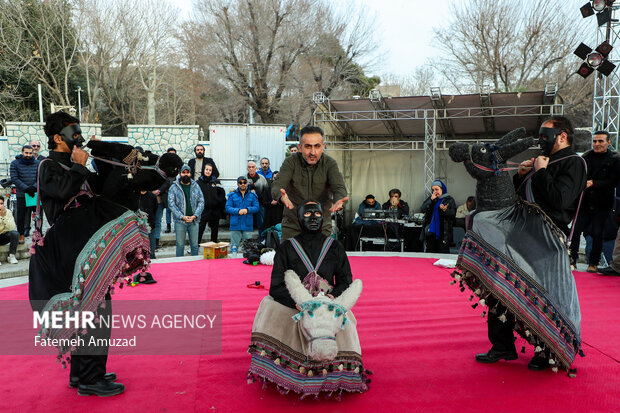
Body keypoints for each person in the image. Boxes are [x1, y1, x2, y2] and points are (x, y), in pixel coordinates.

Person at [475, 116, 587, 371]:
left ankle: (545, 351)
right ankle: (502, 345)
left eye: (545, 134)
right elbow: (517, 200)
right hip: (519, 233)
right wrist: (522, 176)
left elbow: (559, 200)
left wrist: (542, 171)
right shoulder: (542, 163)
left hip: (546, 240)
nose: (540, 140)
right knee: (500, 286)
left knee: (543, 297)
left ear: (562, 135)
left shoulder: (574, 162)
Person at [248, 200, 368, 396]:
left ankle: (341, 371)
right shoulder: (286, 247)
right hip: (295, 304)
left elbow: (346, 281)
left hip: (327, 305)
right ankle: (280, 369)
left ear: (324, 218)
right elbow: (275, 286)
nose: (313, 218)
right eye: (307, 214)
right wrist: (298, 302)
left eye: (318, 214)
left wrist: (330, 297)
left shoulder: (335, 246)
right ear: (298, 218)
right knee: (268, 306)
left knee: (348, 319)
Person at [271, 125, 348, 240]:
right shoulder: (290, 162)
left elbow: (339, 187)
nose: (313, 152)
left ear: (323, 147)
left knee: (322, 258)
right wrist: (281, 197)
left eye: (317, 146)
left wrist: (339, 199)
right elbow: (277, 186)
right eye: (308, 147)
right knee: (288, 257)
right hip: (293, 225)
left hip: (321, 225)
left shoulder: (329, 163)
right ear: (300, 147)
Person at [569, 131, 620, 272]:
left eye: (600, 141)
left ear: (608, 142)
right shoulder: (586, 157)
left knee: (598, 233)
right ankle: (572, 260)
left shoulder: (615, 159)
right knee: (575, 231)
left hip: (603, 202)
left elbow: (613, 181)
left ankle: (593, 263)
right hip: (584, 201)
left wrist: (594, 183)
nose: (597, 144)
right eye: (595, 141)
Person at [168, 165, 204, 257]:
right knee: (180, 245)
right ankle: (179, 266)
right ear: (180, 174)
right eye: (183, 172)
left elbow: (201, 201)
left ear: (190, 174)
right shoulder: (174, 187)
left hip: (194, 221)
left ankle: (195, 265)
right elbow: (171, 204)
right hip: (180, 221)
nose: (185, 174)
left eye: (187, 172)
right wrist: (182, 216)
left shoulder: (196, 186)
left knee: (195, 245)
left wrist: (195, 215)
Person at [10, 144, 39, 244]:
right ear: (22, 152)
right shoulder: (14, 163)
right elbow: (14, 178)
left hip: (34, 194)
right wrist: (26, 188)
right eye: (26, 152)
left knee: (37, 215)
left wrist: (33, 187)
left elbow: (40, 177)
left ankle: (38, 234)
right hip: (22, 194)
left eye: (30, 153)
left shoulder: (37, 163)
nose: (28, 155)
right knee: (21, 216)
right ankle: (21, 235)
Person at [225, 176, 259, 253]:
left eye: (244, 182)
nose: (243, 184)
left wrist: (247, 210)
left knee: (248, 249)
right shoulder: (232, 195)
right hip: (235, 225)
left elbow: (257, 207)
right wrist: (238, 211)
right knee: (234, 249)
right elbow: (227, 207)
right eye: (240, 183)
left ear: (247, 183)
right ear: (237, 184)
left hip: (247, 224)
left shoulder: (252, 195)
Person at [421, 180, 456, 253]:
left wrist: (445, 210)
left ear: (442, 189)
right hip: (431, 232)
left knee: (442, 253)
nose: (435, 192)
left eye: (437, 189)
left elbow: (452, 214)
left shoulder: (449, 200)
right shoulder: (432, 199)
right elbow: (422, 209)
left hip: (443, 232)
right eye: (433, 190)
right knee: (430, 253)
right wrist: (430, 200)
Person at [197, 163, 226, 243]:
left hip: (215, 210)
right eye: (207, 169)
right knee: (200, 229)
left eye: (210, 170)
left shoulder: (215, 182)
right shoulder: (198, 182)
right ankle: (196, 246)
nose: (208, 171)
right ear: (203, 170)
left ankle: (213, 248)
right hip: (204, 210)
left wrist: (218, 201)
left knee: (214, 231)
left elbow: (222, 193)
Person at [247, 160, 269, 237]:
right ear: (247, 168)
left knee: (261, 224)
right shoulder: (244, 179)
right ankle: (247, 242)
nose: (251, 169)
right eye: (249, 167)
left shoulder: (262, 178)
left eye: (253, 167)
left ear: (256, 168)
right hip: (247, 206)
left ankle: (262, 241)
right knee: (248, 224)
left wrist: (263, 202)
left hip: (260, 205)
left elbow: (266, 191)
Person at [0, 195, 19, 264]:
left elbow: (12, 227)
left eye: (1, 204)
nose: (0, 206)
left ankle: (11, 256)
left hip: (4, 236)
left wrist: (3, 217)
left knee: (15, 234)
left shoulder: (8, 212)